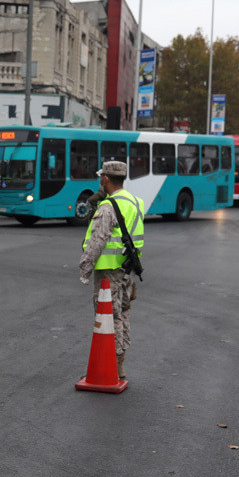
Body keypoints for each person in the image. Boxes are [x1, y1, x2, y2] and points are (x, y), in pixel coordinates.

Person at [79, 160, 144, 381]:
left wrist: (85, 269)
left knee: (109, 317)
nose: (99, 181)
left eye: (101, 177)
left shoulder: (108, 207)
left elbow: (98, 241)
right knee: (123, 313)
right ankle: (120, 365)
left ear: (105, 178)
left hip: (108, 273)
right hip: (128, 270)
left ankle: (111, 366)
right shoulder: (135, 202)